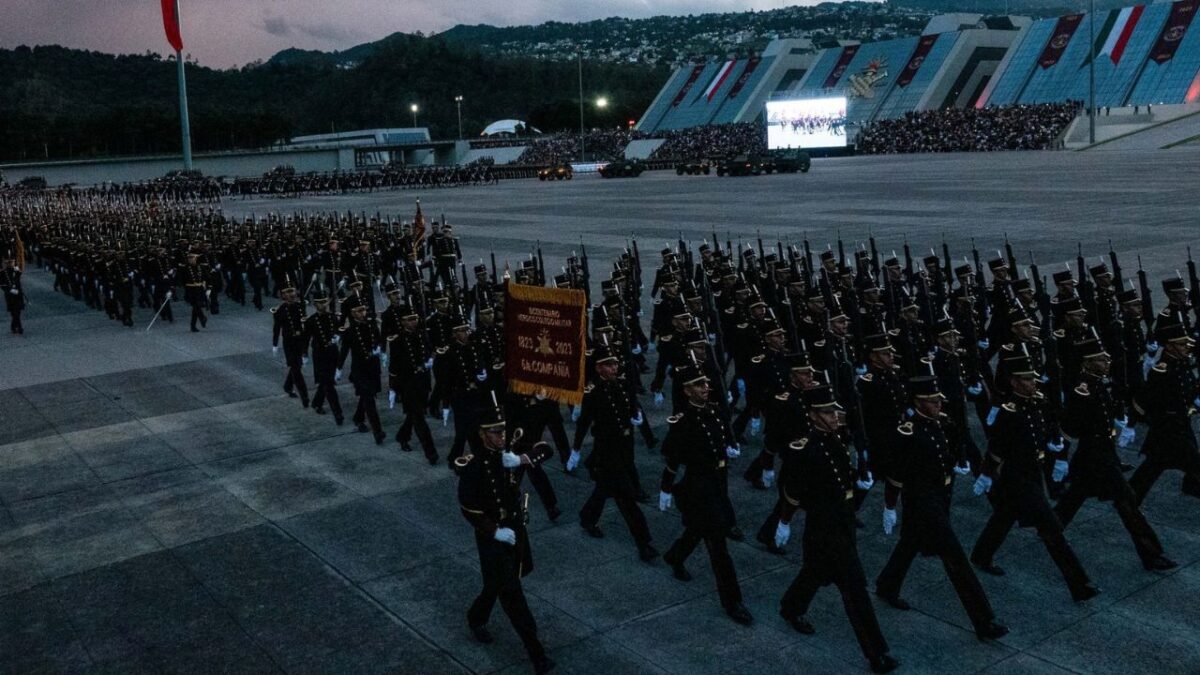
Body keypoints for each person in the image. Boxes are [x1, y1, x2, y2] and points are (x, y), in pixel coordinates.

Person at [773, 385, 898, 674]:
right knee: (855, 589)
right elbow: (791, 490)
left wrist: (857, 481)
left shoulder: (837, 438)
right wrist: (784, 522)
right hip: (824, 526)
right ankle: (876, 653)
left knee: (815, 572)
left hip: (842, 520)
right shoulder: (804, 448)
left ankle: (791, 606)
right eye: (828, 412)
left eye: (834, 411)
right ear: (813, 415)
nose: (835, 417)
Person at [875, 376, 1009, 640]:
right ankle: (984, 621)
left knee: (910, 543)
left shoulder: (940, 423)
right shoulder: (908, 432)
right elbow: (896, 474)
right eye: (933, 402)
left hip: (939, 496)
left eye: (938, 401)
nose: (938, 405)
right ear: (918, 403)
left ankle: (887, 584)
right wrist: (890, 505)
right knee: (955, 559)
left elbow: (951, 449)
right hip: (922, 501)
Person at [970, 354, 1100, 602]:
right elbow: (997, 448)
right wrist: (986, 475)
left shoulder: (1039, 402)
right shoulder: (1009, 411)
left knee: (1004, 516)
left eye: (1033, 379)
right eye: (1027, 380)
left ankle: (981, 554)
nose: (1033, 384)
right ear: (1015, 382)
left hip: (1033, 472)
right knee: (1051, 528)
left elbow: (1052, 427)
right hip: (1017, 477)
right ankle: (1079, 584)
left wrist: (1058, 451)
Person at [1056, 337, 1176, 571]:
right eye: (1101, 359)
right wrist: (1060, 457)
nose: (1107, 362)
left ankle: (1051, 528)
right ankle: (1151, 555)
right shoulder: (1083, 389)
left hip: (1099, 457)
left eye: (1107, 358)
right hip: (1096, 457)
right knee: (1127, 504)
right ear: (1087, 363)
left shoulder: (1099, 383)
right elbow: (1070, 427)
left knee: (1074, 499)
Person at [455, 405, 555, 675]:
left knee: (495, 585)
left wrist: (521, 459)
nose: (500, 437)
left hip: (515, 530)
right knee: (512, 593)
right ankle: (538, 655)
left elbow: (546, 448)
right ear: (482, 434)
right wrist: (492, 530)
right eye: (494, 432)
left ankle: (476, 618)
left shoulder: (509, 452)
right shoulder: (474, 465)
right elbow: (467, 505)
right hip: (494, 536)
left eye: (502, 431)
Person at [658, 364, 753, 625]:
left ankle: (675, 556)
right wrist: (666, 488)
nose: (705, 388)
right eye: (699, 385)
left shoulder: (713, 411)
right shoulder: (684, 421)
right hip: (698, 488)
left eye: (706, 383)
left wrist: (729, 448)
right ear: (686, 391)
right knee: (718, 547)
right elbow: (672, 458)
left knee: (696, 530)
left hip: (717, 484)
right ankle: (733, 602)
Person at [573, 344, 657, 561]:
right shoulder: (593, 392)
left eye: (615, 363)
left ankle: (587, 518)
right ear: (598, 368)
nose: (614, 368)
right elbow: (584, 423)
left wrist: (636, 415)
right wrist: (575, 449)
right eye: (609, 364)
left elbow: (630, 407)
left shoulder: (622, 384)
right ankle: (644, 543)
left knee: (603, 489)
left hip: (625, 448)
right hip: (607, 452)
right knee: (627, 499)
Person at [1129, 319, 1200, 504]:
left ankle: (1129, 499)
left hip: (1180, 425)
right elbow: (1146, 400)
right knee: (1191, 462)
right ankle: (1128, 500)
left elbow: (1187, 391)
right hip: (1170, 429)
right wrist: (1152, 421)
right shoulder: (1162, 371)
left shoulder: (1180, 364)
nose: (1187, 348)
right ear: (1169, 346)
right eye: (1182, 344)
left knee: (1153, 466)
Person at [388, 300, 438, 463]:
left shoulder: (422, 335)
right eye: (409, 319)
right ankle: (430, 452)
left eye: (415, 318)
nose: (413, 322)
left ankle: (402, 435)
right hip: (407, 383)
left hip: (423, 381)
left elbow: (430, 349)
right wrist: (393, 389)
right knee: (419, 417)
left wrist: (430, 359)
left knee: (414, 413)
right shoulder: (398, 341)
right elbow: (394, 366)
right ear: (402, 322)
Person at [338, 298, 387, 444]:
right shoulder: (349, 332)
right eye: (359, 310)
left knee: (368, 396)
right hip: (360, 370)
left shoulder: (372, 325)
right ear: (352, 313)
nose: (363, 312)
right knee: (369, 399)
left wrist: (381, 350)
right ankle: (378, 432)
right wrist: (338, 368)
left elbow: (379, 339)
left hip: (373, 367)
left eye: (363, 309)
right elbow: (344, 351)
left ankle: (358, 418)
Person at [304, 291, 344, 425]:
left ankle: (316, 402)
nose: (323, 305)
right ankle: (338, 413)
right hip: (320, 355)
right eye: (320, 302)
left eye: (324, 301)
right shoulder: (311, 321)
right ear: (315, 304)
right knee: (329, 385)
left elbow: (339, 330)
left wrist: (338, 336)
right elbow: (306, 339)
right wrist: (304, 354)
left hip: (333, 353)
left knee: (326, 382)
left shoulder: (333, 317)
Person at [271, 278, 310, 408]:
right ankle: (305, 396)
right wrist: (275, 344)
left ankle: (288, 386)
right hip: (289, 342)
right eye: (287, 292)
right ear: (282, 295)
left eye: (292, 290)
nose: (291, 294)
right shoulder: (280, 311)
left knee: (296, 366)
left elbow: (305, 325)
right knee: (296, 369)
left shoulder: (300, 307)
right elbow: (277, 328)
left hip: (300, 341)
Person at [1, 256, 24, 334]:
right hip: (10, 296)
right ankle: (19, 327)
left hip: (18, 294)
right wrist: (10, 290)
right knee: (14, 312)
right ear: (6, 263)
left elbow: (18, 281)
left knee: (18, 312)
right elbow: (2, 285)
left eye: (12, 262)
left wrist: (18, 271)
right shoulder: (3, 273)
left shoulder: (16, 271)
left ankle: (13, 326)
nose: (11, 264)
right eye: (9, 262)